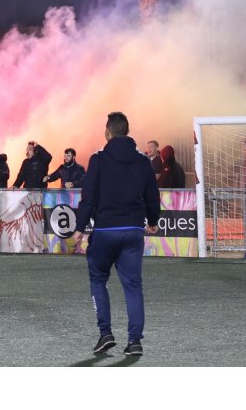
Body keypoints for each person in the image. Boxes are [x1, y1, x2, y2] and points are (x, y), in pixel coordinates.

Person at [70, 112, 160, 356]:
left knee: (98, 279)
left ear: (107, 132)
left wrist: (79, 228)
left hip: (105, 230)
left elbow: (88, 197)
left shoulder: (98, 159)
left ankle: (106, 333)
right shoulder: (143, 161)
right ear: (127, 132)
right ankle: (135, 341)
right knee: (133, 286)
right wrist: (153, 221)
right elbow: (152, 196)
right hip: (132, 231)